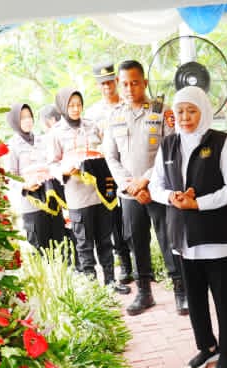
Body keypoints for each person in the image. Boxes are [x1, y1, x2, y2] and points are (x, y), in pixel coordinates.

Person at [150, 86, 227, 368]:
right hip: (183, 238)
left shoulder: (223, 142)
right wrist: (171, 198)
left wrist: (198, 203)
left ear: (203, 111)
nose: (185, 117)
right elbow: (155, 185)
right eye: (179, 111)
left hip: (216, 237)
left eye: (191, 111)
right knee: (195, 297)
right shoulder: (168, 145)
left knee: (223, 297)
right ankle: (207, 347)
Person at [103, 59, 183, 316]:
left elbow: (170, 150)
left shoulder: (161, 111)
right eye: (124, 84)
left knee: (168, 240)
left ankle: (181, 292)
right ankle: (144, 293)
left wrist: (146, 180)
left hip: (158, 189)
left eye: (135, 83)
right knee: (136, 242)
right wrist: (130, 185)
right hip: (129, 194)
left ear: (144, 83)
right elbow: (111, 157)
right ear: (118, 84)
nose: (129, 88)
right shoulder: (114, 116)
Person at [49, 88, 127, 293]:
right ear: (63, 107)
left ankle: (110, 282)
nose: (75, 109)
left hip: (99, 193)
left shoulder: (92, 126)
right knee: (84, 244)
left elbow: (105, 150)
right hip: (77, 196)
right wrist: (65, 170)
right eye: (71, 105)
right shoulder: (56, 133)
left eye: (78, 104)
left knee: (104, 239)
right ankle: (93, 289)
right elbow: (52, 164)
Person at [85, 61, 136, 286]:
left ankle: (142, 261)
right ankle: (124, 263)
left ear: (116, 81)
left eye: (109, 82)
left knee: (133, 217)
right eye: (102, 84)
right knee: (114, 218)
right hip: (105, 171)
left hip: (128, 168)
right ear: (98, 86)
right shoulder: (94, 113)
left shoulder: (129, 104)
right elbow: (92, 143)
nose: (106, 87)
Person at [6, 103, 69, 258]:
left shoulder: (43, 140)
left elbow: (54, 163)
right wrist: (25, 185)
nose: (27, 121)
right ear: (15, 121)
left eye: (29, 116)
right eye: (22, 118)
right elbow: (9, 176)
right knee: (41, 252)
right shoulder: (13, 146)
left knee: (62, 247)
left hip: (51, 200)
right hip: (32, 206)